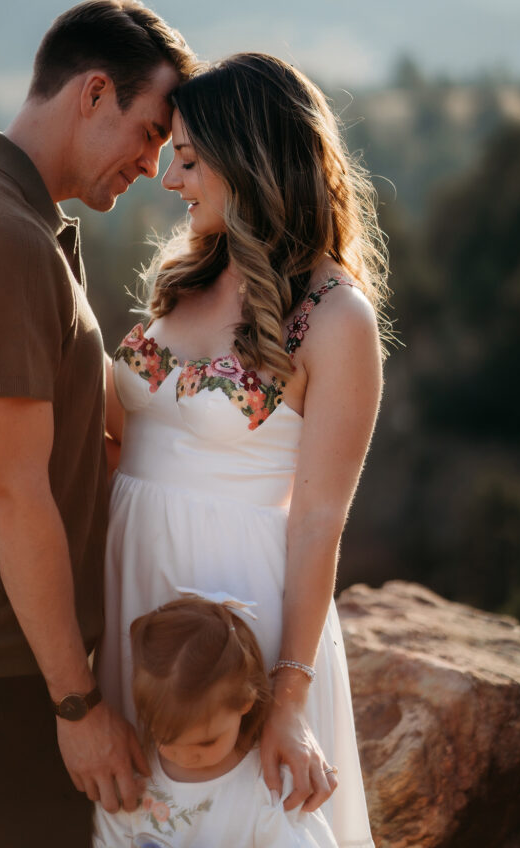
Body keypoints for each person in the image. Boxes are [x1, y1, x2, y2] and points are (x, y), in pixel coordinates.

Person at [0, 0, 195, 848]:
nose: (154, 167)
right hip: (3, 665)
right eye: (151, 133)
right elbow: (13, 492)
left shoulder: (8, 207)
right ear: (94, 94)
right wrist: (76, 702)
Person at [100, 53, 387, 847]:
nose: (168, 177)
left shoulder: (334, 316)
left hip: (242, 620)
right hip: (137, 600)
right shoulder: (189, 272)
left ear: (251, 158)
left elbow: (320, 518)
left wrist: (287, 700)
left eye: (188, 158)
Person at [94, 593, 339, 847]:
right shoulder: (133, 782)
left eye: (206, 743)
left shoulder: (268, 786)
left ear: (246, 701)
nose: (186, 756)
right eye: (165, 739)